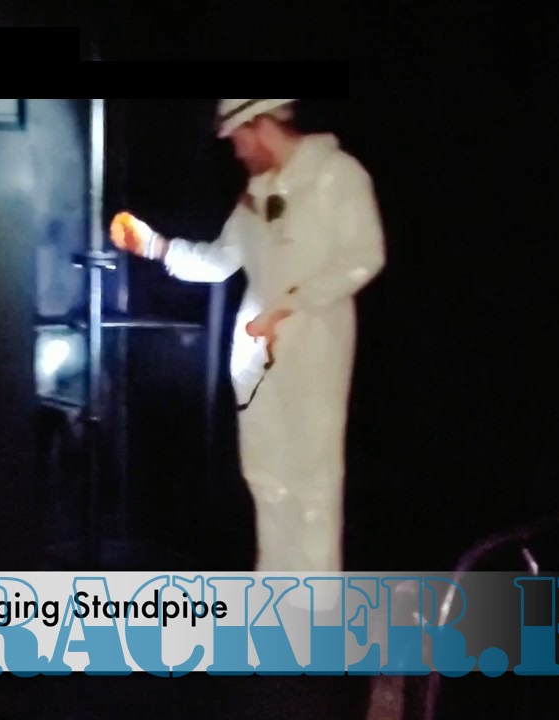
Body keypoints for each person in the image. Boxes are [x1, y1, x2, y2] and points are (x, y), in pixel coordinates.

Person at [109, 99, 385, 572]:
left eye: (238, 138)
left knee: (312, 482)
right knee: (265, 476)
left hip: (313, 351)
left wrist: (292, 304)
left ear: (261, 125)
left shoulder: (336, 176)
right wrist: (156, 246)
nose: (236, 151)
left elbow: (364, 255)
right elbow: (219, 261)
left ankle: (314, 607)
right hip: (256, 359)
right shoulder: (257, 194)